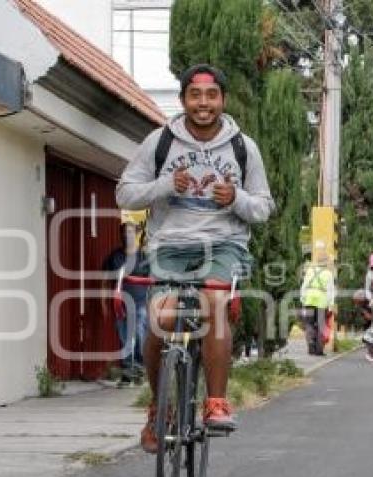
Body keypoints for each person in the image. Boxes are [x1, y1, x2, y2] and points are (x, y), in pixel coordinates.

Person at [116, 64, 274, 454]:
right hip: (169, 245)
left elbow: (264, 208)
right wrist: (165, 186)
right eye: (195, 95)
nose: (203, 103)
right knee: (161, 318)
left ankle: (216, 402)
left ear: (222, 99)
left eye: (211, 95)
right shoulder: (160, 142)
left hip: (224, 245)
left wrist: (235, 198)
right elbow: (125, 194)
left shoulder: (243, 148)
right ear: (184, 99)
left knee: (214, 304)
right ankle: (158, 409)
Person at [101, 216, 148, 388]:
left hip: (141, 303)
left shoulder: (144, 256)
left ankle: (140, 370)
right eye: (123, 232)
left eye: (129, 232)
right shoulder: (114, 257)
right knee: (124, 338)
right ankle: (128, 374)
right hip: (120, 305)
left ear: (136, 233)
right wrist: (104, 304)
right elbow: (105, 282)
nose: (125, 235)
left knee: (139, 335)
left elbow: (153, 282)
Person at [300, 245, 335, 356]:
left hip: (309, 300)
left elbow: (304, 286)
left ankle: (311, 345)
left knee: (309, 324)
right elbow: (330, 291)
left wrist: (303, 299)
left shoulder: (310, 271)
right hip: (322, 302)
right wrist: (331, 304)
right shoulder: (329, 274)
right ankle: (319, 350)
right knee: (321, 325)